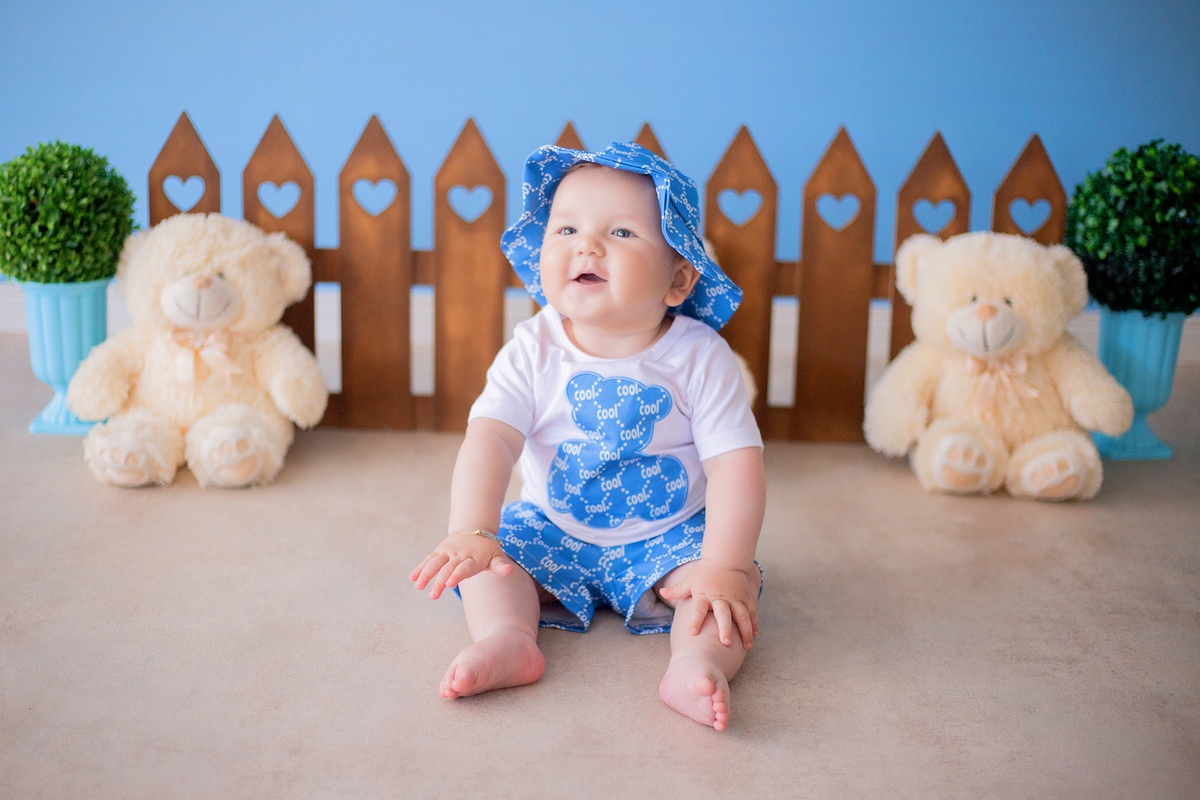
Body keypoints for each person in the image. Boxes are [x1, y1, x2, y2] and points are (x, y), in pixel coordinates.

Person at [410, 142, 765, 731]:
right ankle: (510, 640)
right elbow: (491, 438)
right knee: (490, 567)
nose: (586, 245)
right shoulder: (534, 346)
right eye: (567, 227)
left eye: (622, 233)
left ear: (678, 278)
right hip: (555, 527)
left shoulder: (701, 358)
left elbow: (736, 466)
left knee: (731, 588)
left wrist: (723, 564)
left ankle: (696, 662)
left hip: (667, 538)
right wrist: (472, 531)